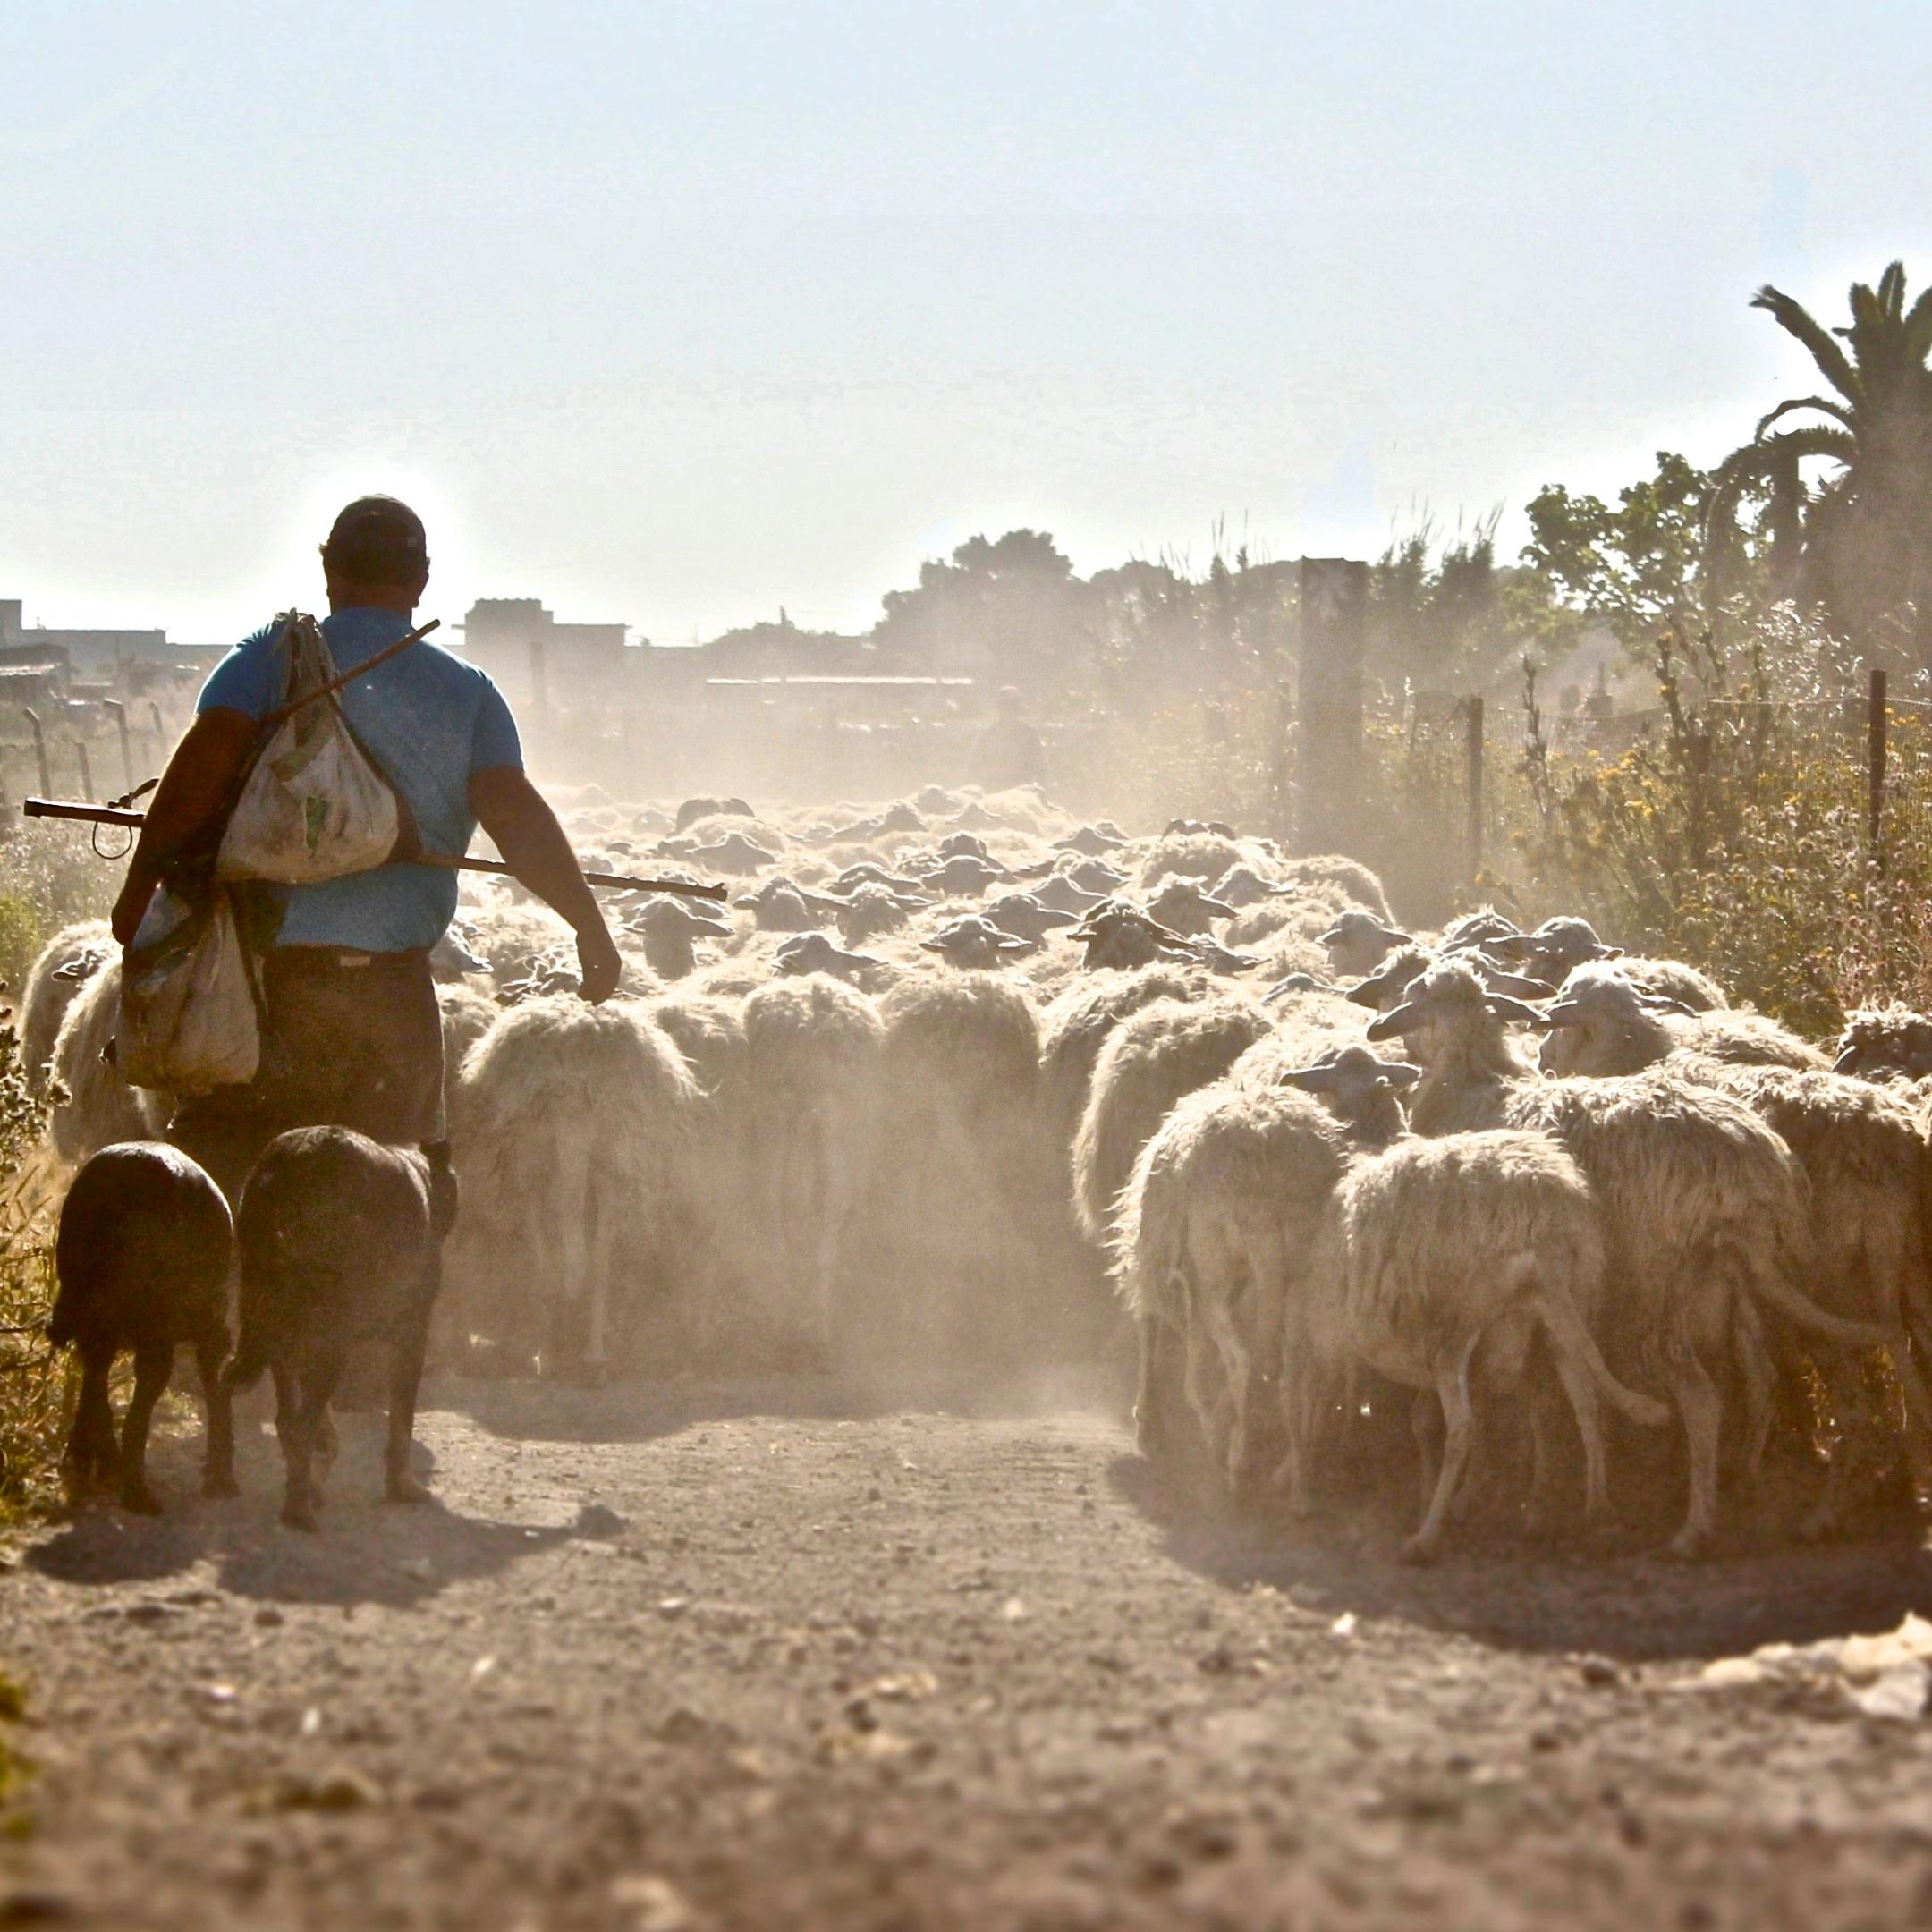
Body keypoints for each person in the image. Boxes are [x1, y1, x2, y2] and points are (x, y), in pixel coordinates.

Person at [111, 495, 623, 1199]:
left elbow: (205, 761)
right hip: (388, 1006)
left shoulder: (271, 660)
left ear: (330, 571)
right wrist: (587, 925)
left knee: (220, 1196)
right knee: (403, 1205)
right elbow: (513, 812)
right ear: (421, 581)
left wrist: (137, 899)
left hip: (265, 1000)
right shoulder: (468, 692)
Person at [968, 685, 1046, 792]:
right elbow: (974, 765)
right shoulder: (987, 733)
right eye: (1006, 705)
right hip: (993, 791)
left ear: (1018, 709)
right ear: (1000, 708)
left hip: (1022, 792)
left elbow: (1039, 766)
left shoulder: (1029, 733)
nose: (1010, 710)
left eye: (1013, 706)